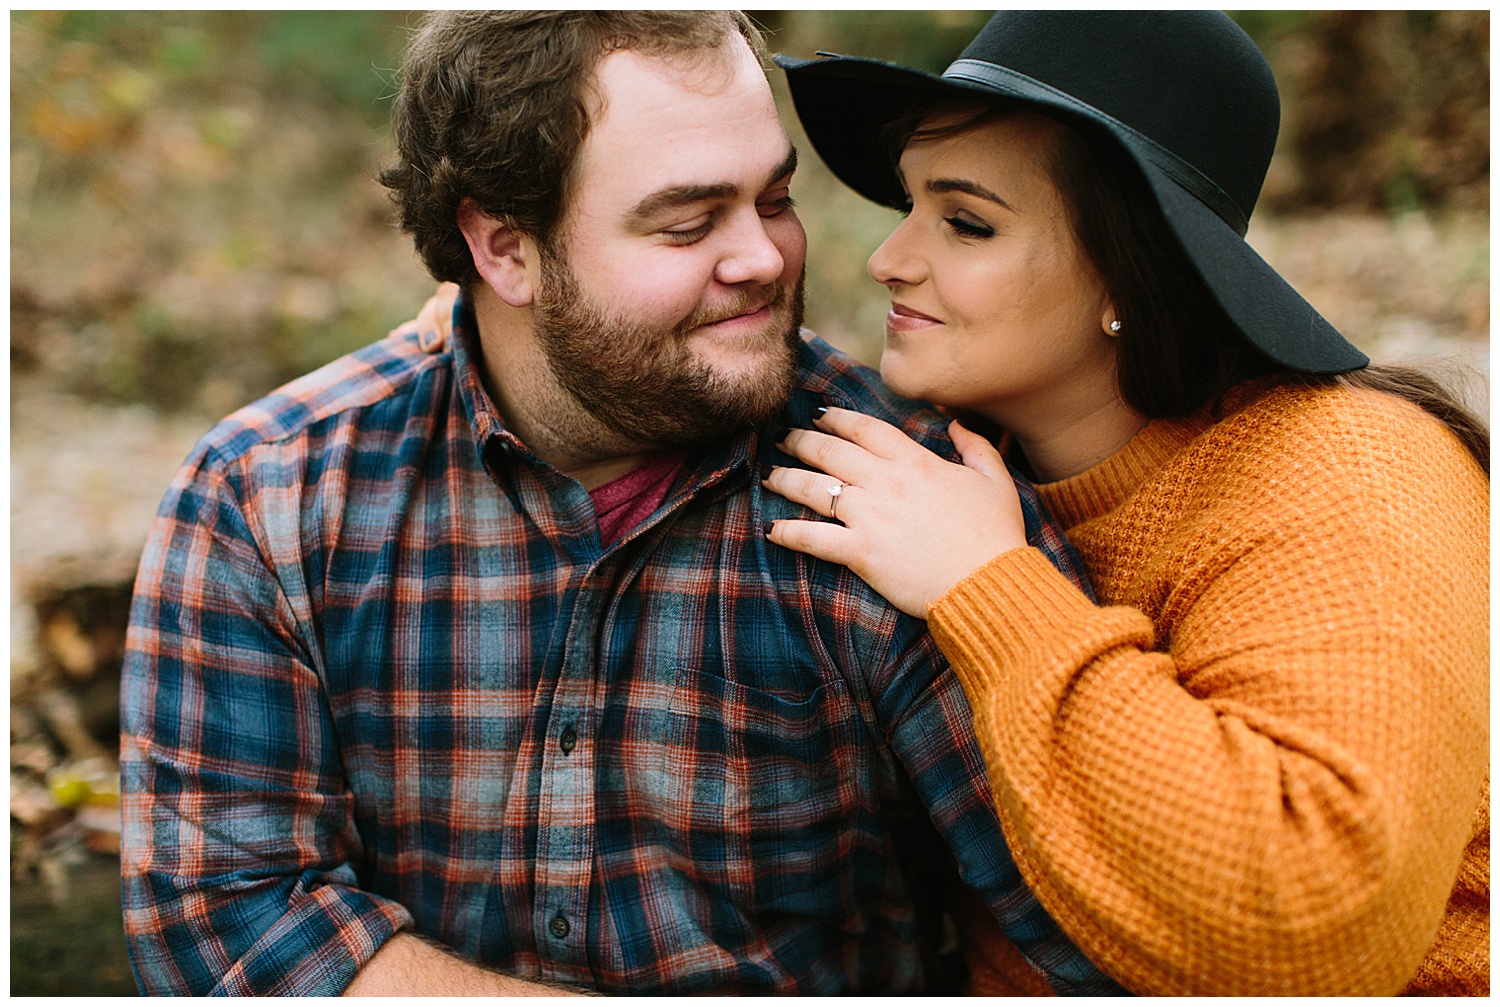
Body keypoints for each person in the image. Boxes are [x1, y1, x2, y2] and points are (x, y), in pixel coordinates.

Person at [118, 11, 1124, 997]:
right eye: (688, 222)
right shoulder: (270, 494)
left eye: (774, 198)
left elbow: (1087, 936)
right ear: (503, 246)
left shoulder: (911, 497)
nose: (765, 258)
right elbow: (228, 919)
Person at [755, 9, 1489, 997]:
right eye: (910, 206)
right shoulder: (953, 462)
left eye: (966, 221)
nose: (889, 258)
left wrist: (990, 586)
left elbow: (1317, 926)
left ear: (1129, 277)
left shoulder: (1351, 468)